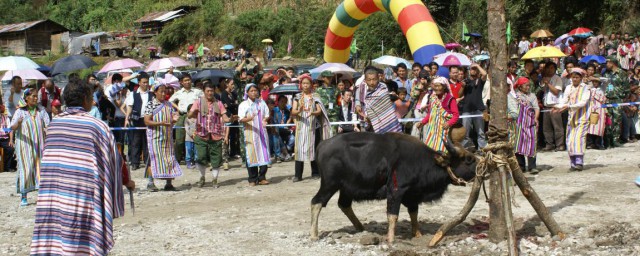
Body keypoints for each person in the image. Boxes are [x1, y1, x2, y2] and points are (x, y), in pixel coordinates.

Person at [30, 80, 134, 256]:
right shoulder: (97, 126)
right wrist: (127, 181)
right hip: (84, 195)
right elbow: (115, 160)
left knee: (58, 238)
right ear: (86, 99)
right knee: (83, 240)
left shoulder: (54, 125)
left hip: (55, 195)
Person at [189, 82, 236, 188]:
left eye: (211, 91)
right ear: (204, 91)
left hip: (216, 135)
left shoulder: (219, 103)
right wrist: (193, 113)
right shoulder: (198, 102)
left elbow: (225, 118)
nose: (210, 93)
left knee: (216, 158)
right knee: (201, 157)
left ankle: (215, 180)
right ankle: (202, 178)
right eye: (208, 91)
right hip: (201, 134)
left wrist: (230, 119)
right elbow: (190, 114)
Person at [10, 88, 50, 206]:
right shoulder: (20, 112)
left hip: (40, 145)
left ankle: (41, 196)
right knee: (27, 168)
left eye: (36, 96)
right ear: (26, 98)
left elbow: (48, 124)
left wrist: (47, 130)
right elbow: (12, 127)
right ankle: (24, 196)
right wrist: (19, 123)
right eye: (33, 96)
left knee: (40, 168)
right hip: (25, 146)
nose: (35, 98)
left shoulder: (41, 110)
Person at [143, 81, 182, 192]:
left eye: (165, 91)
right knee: (154, 158)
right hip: (155, 137)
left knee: (169, 159)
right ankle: (150, 182)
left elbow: (172, 118)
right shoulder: (150, 104)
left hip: (167, 137)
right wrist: (160, 123)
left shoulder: (169, 104)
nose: (164, 94)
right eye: (161, 91)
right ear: (155, 92)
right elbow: (146, 121)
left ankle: (168, 183)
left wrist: (174, 119)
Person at [292, 74, 331, 181]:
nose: (305, 85)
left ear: (311, 85)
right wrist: (299, 110)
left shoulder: (315, 96)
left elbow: (319, 110)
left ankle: (315, 172)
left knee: (313, 148)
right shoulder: (297, 96)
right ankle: (298, 175)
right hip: (301, 127)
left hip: (313, 126)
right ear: (301, 85)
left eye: (307, 83)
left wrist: (313, 113)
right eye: (303, 83)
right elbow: (293, 111)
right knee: (299, 149)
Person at [554, 68, 590, 171]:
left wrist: (569, 107)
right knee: (570, 140)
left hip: (582, 118)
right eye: (573, 77)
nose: (575, 79)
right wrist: (557, 107)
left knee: (578, 139)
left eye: (577, 77)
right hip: (571, 118)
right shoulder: (568, 88)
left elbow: (583, 102)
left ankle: (579, 162)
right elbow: (564, 100)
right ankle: (573, 163)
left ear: (581, 78)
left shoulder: (585, 88)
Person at [238, 84, 271, 186]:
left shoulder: (262, 103)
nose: (254, 92)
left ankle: (262, 177)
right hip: (250, 133)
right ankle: (252, 179)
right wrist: (249, 119)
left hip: (261, 133)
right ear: (247, 93)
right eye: (251, 91)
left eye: (255, 90)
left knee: (263, 153)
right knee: (251, 154)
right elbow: (241, 118)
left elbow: (267, 114)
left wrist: (265, 119)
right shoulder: (243, 105)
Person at [416, 77, 459, 155]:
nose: (436, 88)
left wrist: (449, 123)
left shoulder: (450, 99)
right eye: (435, 86)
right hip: (432, 130)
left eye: (439, 86)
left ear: (444, 87)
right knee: (431, 151)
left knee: (443, 151)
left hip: (443, 130)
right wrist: (422, 122)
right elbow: (430, 114)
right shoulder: (432, 98)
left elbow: (456, 115)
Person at [355, 67, 402, 133]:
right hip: (368, 122)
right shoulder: (361, 89)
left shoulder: (383, 87)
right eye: (369, 80)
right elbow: (357, 101)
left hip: (388, 121)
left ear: (378, 79)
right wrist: (358, 105)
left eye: (374, 79)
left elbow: (386, 105)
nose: (372, 82)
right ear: (365, 80)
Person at [169, 73, 203, 165]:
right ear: (181, 82)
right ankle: (177, 159)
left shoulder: (197, 91)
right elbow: (170, 101)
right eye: (185, 81)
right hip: (182, 115)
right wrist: (178, 108)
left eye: (189, 80)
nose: (187, 82)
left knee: (195, 137)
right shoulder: (179, 92)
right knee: (179, 139)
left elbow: (204, 100)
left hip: (194, 116)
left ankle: (197, 158)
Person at [508, 77, 540, 173]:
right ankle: (521, 166)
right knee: (518, 143)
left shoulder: (532, 96)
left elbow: (536, 108)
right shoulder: (515, 96)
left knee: (532, 143)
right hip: (519, 123)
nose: (528, 87)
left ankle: (532, 166)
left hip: (530, 122)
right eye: (526, 85)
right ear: (520, 87)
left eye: (528, 85)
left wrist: (536, 118)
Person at [125, 72, 152, 170]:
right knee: (135, 142)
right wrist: (127, 118)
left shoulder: (151, 94)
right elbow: (129, 107)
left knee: (147, 142)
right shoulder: (133, 94)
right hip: (136, 120)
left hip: (148, 120)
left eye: (147, 82)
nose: (145, 84)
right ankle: (135, 163)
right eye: (144, 82)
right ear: (139, 83)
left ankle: (147, 161)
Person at [603, 56, 630, 147]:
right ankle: (608, 140)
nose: (606, 64)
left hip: (618, 99)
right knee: (608, 120)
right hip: (608, 99)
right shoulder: (606, 73)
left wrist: (624, 98)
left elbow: (626, 87)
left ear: (612, 63)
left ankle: (615, 139)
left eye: (608, 62)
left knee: (617, 120)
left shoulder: (622, 73)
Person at [460, 63, 488, 151]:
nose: (473, 70)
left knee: (480, 132)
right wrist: (462, 87)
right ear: (469, 71)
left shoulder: (480, 81)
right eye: (472, 69)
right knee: (465, 133)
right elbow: (459, 94)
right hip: (466, 110)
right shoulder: (465, 81)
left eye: (475, 69)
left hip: (478, 109)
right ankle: (466, 150)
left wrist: (477, 66)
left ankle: (482, 150)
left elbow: (485, 74)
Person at [541, 61, 566, 151]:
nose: (550, 70)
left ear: (555, 69)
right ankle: (549, 144)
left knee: (557, 126)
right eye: (548, 68)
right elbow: (542, 90)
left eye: (552, 68)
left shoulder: (557, 79)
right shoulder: (544, 78)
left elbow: (556, 91)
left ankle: (560, 144)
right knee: (546, 127)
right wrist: (544, 82)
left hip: (555, 106)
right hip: (546, 106)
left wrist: (548, 84)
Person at [587, 75, 607, 149]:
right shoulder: (589, 88)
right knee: (590, 126)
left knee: (599, 127)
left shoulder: (602, 88)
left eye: (596, 81)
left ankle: (599, 144)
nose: (595, 83)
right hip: (591, 109)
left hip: (600, 110)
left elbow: (606, 80)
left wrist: (594, 78)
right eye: (594, 81)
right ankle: (590, 143)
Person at [272, 95, 294, 161]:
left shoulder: (287, 111)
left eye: (285, 102)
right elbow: (273, 122)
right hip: (277, 130)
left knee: (292, 139)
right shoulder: (274, 110)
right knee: (277, 135)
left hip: (285, 130)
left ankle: (285, 150)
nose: (283, 103)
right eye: (281, 101)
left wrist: (290, 117)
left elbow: (288, 123)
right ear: (278, 102)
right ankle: (284, 153)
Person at [0, 103, 14, 172]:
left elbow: (9, 130)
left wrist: (11, 140)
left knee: (10, 149)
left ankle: (7, 167)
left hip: (4, 138)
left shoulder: (6, 118)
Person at [184, 104, 197, 169]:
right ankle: (188, 162)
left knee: (196, 151)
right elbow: (186, 128)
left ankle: (196, 162)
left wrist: (196, 134)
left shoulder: (197, 119)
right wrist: (191, 134)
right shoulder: (187, 119)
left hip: (197, 138)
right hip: (188, 138)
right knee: (188, 150)